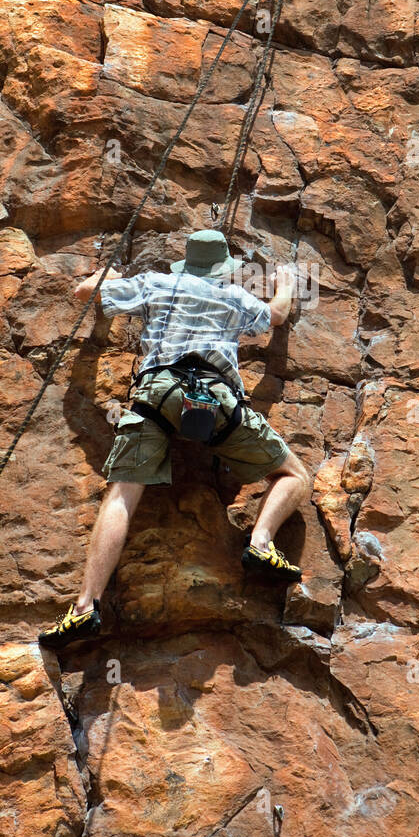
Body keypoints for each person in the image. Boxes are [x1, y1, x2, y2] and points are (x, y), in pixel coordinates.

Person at [39, 229, 310, 650]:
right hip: (215, 402)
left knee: (122, 495)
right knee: (293, 474)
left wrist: (106, 277)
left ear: (186, 263)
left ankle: (84, 607)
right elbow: (276, 316)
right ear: (224, 270)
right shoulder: (233, 299)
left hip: (156, 395)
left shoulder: (156, 284)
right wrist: (288, 285)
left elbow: (83, 291)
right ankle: (260, 542)